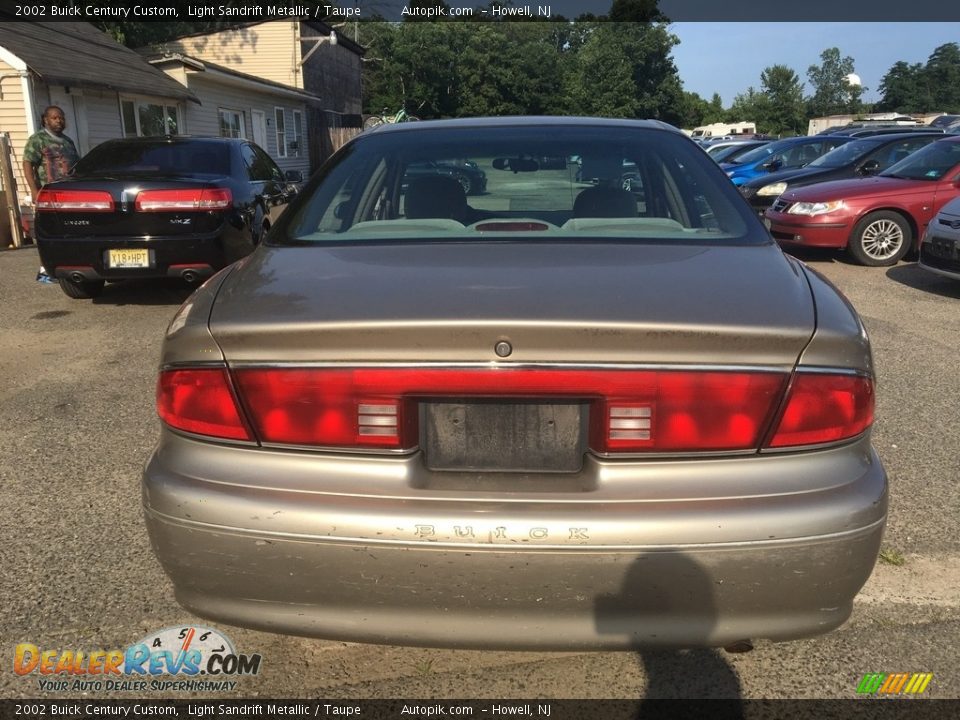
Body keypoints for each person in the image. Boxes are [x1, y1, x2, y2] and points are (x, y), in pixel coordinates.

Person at [22, 105, 80, 283]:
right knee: (48, 230)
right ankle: (45, 271)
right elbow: (27, 163)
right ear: (45, 120)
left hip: (68, 194)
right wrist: (33, 190)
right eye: (54, 118)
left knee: (70, 229)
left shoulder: (68, 141)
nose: (59, 121)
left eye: (61, 118)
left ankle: (68, 265)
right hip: (48, 194)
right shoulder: (38, 139)